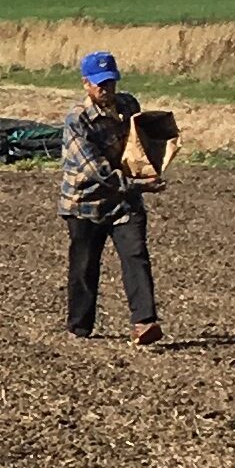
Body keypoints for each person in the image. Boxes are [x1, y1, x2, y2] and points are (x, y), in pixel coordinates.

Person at [61, 49, 165, 346]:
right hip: (85, 203)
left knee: (136, 257)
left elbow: (140, 142)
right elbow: (97, 171)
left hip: (124, 202)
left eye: (110, 82)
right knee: (84, 265)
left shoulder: (129, 105)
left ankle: (145, 322)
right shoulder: (77, 121)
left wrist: (154, 161)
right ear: (86, 84)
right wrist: (140, 185)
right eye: (99, 84)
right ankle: (79, 327)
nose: (106, 89)